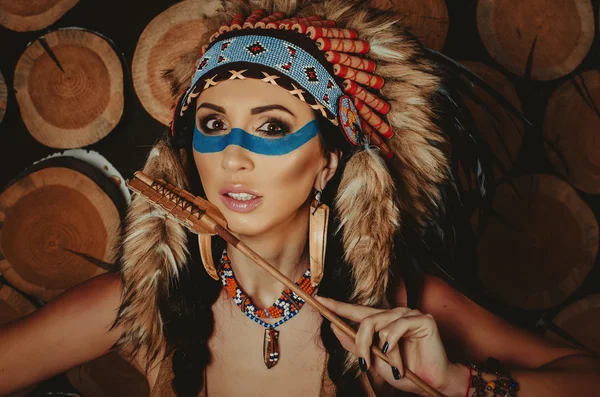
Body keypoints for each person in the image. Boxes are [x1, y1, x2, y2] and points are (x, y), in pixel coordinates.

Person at [1, 1, 599, 396]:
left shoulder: (400, 305)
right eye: (211, 125)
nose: (233, 156)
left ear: (328, 163)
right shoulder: (144, 301)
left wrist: (460, 383)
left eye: (271, 127)